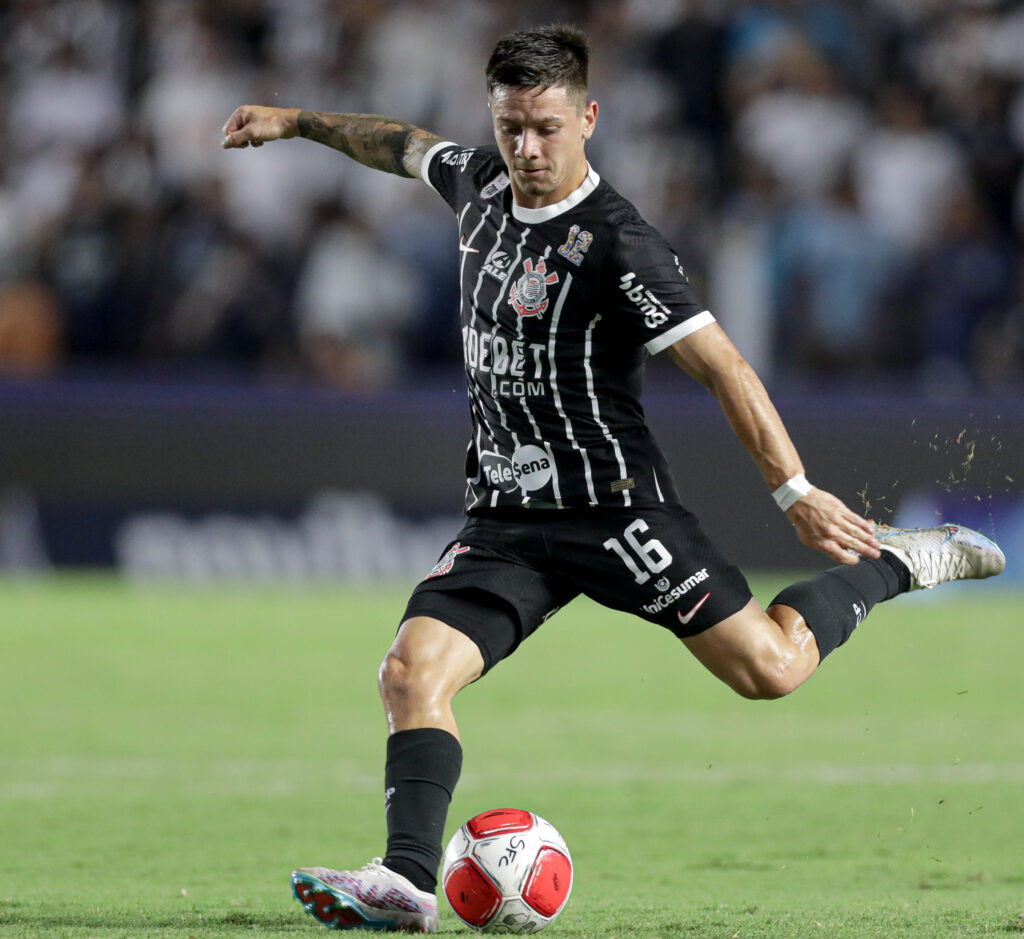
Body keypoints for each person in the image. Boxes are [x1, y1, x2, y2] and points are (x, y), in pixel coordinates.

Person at [221, 24, 1005, 933]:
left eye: (547, 127)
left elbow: (724, 368)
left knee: (773, 670)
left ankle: (900, 562)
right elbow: (396, 144)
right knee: (410, 671)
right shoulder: (476, 184)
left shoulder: (619, 244)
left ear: (588, 117)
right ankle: (405, 879)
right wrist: (295, 121)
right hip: (508, 518)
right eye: (511, 125)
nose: (526, 148)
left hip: (617, 514)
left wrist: (794, 491)